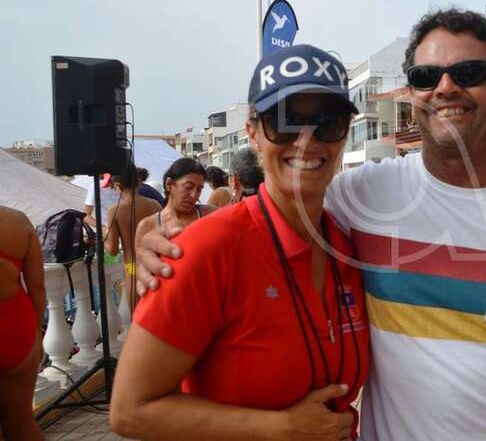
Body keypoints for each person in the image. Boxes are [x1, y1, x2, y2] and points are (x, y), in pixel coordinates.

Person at [135, 10, 486, 440]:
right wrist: (166, 240)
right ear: (413, 94)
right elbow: (269, 213)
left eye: (468, 72)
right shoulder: (362, 194)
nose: (445, 87)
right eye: (426, 76)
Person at [110, 45, 370, 441]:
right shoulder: (207, 248)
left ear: (345, 133)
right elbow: (130, 411)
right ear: (253, 133)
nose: (306, 140)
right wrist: (281, 428)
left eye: (328, 122)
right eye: (283, 122)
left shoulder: (350, 243)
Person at [0, 206, 45, 441]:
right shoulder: (17, 220)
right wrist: (36, 334)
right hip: (18, 328)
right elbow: (37, 286)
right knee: (21, 424)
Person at [105, 164, 162, 312]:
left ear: (118, 185)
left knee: (138, 316)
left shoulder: (114, 211)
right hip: (156, 266)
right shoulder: (155, 205)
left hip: (133, 269)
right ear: (138, 182)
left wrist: (103, 237)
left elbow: (112, 250)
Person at [135, 158, 217, 244]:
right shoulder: (148, 226)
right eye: (188, 187)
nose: (194, 195)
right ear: (169, 184)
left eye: (199, 190)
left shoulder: (210, 215)